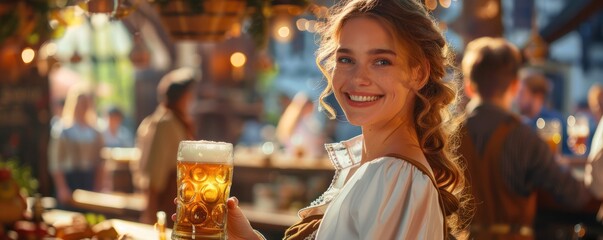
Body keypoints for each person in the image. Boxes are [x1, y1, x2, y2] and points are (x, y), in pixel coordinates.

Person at [182, 0, 470, 239]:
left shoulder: (392, 177)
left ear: (418, 74)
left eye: (381, 61)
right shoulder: (376, 170)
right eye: (346, 59)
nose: (358, 78)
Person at [459, 37, 593, 239]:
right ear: (514, 86)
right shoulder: (523, 136)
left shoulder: (448, 134)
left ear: (469, 87)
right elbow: (573, 194)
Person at [136, 68, 197, 225]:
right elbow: (155, 174)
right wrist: (150, 214)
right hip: (168, 204)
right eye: (189, 94)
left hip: (177, 201)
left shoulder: (175, 121)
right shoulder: (166, 123)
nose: (191, 99)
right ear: (181, 96)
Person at [50, 85, 104, 206]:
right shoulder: (63, 129)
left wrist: (98, 185)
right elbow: (55, 162)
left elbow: (100, 161)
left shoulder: (95, 131)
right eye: (80, 103)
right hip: (70, 179)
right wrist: (62, 187)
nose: (82, 107)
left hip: (89, 178)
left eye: (85, 103)